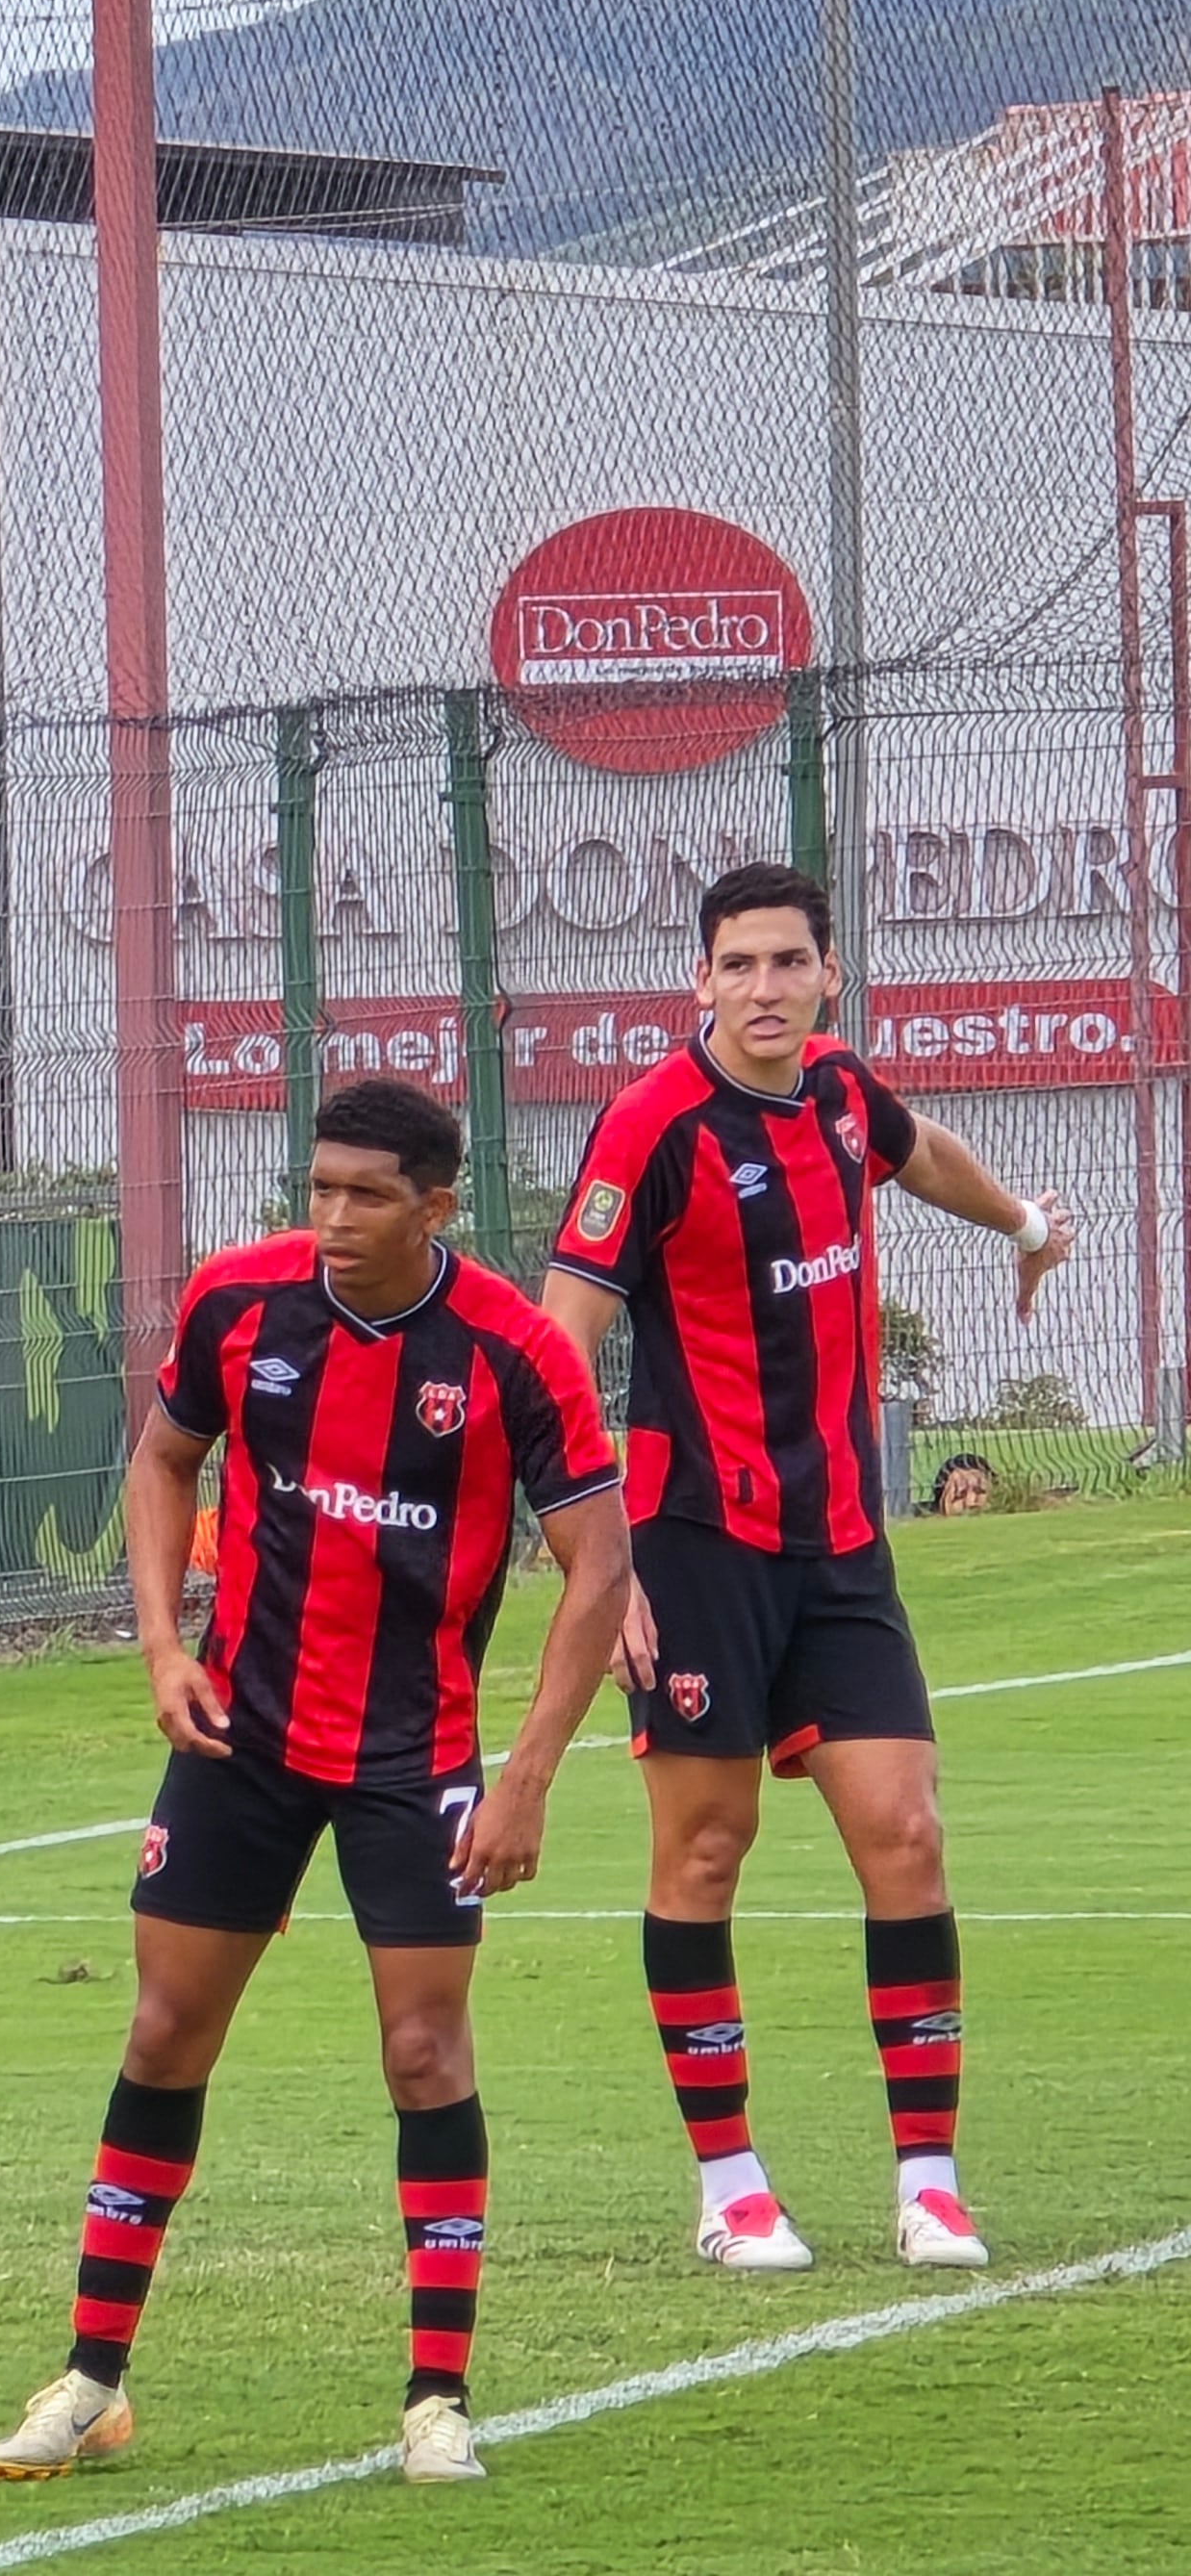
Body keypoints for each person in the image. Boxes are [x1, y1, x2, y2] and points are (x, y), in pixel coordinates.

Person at [0, 1079, 632, 2491]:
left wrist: (528, 1777)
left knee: (424, 2052)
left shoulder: (513, 1352)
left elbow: (600, 1565)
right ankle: (90, 2380)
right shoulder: (240, 1301)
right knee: (163, 2031)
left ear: (435, 1207)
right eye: (319, 1188)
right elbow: (163, 1459)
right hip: (243, 1736)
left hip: (416, 1752)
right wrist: (162, 1646)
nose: (332, 1218)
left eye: (366, 1196)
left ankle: (437, 2399)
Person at [536, 862, 1070, 2277]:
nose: (764, 989)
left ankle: (930, 2184)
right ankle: (730, 2186)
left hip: (839, 1544)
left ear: (828, 974)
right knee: (704, 1851)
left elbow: (921, 1148)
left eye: (788, 962)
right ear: (700, 980)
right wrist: (603, 1565)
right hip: (694, 1546)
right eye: (739, 964)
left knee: (907, 1835)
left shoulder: (838, 1090)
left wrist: (1024, 1230)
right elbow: (557, 1347)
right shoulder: (651, 1127)